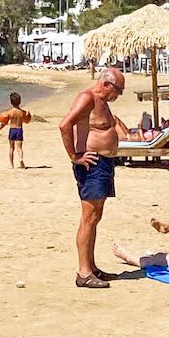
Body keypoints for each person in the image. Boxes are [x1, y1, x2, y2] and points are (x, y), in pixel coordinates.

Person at [61, 66, 126, 289]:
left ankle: (92, 266)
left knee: (95, 217)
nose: (119, 95)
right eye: (118, 90)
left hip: (104, 165)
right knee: (88, 217)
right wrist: (74, 156)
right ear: (106, 84)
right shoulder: (87, 98)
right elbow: (65, 124)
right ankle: (84, 272)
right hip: (92, 165)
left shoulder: (103, 103)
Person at [0, 91, 39, 167]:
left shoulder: (9, 112)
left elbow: (4, 122)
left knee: (11, 148)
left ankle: (11, 164)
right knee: (19, 148)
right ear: (20, 102)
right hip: (19, 130)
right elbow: (26, 121)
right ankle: (21, 159)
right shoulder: (22, 112)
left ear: (11, 102)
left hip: (12, 130)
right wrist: (28, 115)